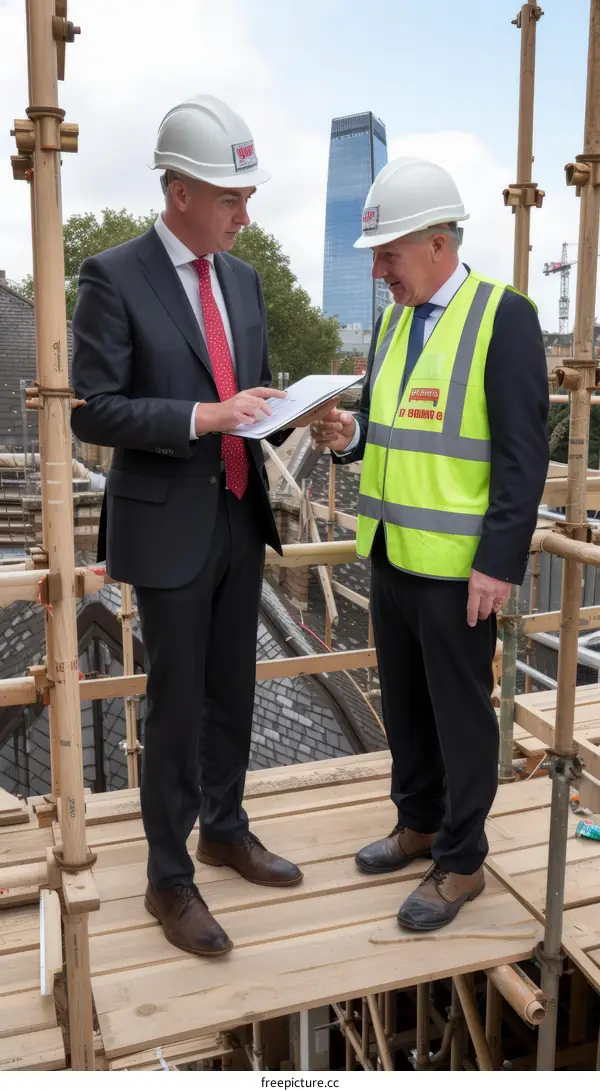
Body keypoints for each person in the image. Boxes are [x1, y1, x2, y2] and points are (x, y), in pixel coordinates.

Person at [71, 94, 336, 957]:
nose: (244, 213)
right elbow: (96, 411)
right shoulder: (114, 275)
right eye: (231, 197)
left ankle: (224, 827)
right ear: (179, 190)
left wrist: (308, 416)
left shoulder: (248, 282)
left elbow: (250, 400)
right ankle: (167, 876)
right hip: (168, 525)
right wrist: (204, 416)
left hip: (235, 513)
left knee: (235, 688)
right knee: (176, 702)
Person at [311, 157, 549, 931]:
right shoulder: (391, 323)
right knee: (407, 710)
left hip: (457, 570)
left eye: (389, 254)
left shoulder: (501, 316)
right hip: (391, 553)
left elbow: (522, 454)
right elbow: (394, 430)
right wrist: (350, 436)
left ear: (439, 244)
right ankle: (416, 822)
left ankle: (461, 860)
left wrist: (498, 561)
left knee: (461, 718)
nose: (379, 271)